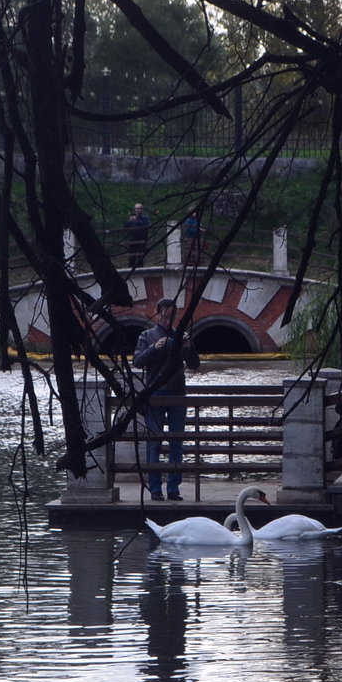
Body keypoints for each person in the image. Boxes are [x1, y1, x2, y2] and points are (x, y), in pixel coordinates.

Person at [133, 298, 200, 501]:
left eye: (172, 315)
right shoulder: (147, 336)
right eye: (165, 314)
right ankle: (155, 488)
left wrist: (187, 346)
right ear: (158, 313)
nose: (168, 318)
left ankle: (173, 488)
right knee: (154, 442)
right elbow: (137, 361)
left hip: (178, 392)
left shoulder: (181, 335)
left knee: (176, 441)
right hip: (155, 393)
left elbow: (194, 364)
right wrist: (155, 347)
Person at [125, 203, 151, 267]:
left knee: (140, 257)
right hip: (132, 240)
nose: (137, 210)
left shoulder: (145, 218)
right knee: (132, 257)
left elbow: (147, 225)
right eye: (135, 208)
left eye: (138, 208)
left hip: (142, 240)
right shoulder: (131, 217)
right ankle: (130, 271)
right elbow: (125, 226)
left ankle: (140, 270)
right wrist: (129, 221)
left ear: (142, 209)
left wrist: (136, 221)